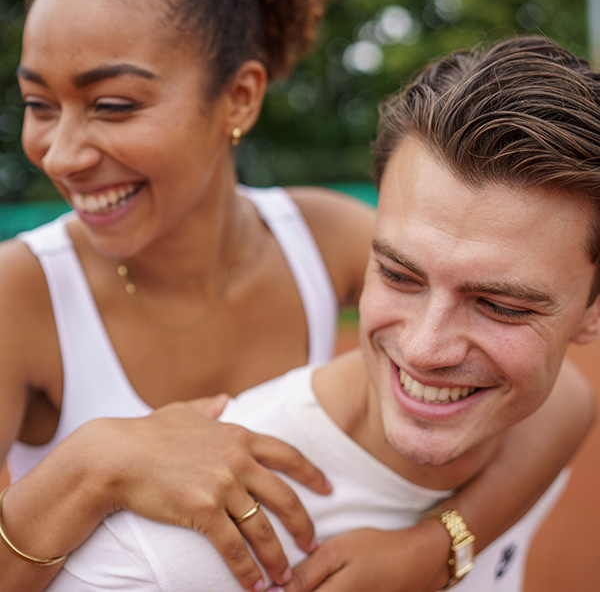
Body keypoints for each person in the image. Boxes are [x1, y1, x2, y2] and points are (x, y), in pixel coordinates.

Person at [0, 0, 593, 590]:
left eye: (113, 106)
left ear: (239, 96)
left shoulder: (323, 237)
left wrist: (432, 552)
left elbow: (561, 394)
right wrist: (99, 460)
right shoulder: (20, 292)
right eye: (38, 104)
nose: (62, 151)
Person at [39, 34, 600, 592]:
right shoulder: (167, 555)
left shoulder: (525, 424)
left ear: (590, 311)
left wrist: (441, 545)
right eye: (399, 275)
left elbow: (575, 401)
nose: (426, 350)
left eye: (500, 306)